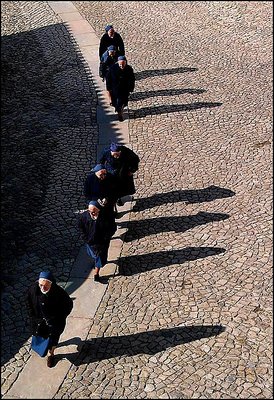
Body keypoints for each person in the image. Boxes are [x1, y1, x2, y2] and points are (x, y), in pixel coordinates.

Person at [27, 270, 73, 368]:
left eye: (45, 286)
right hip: (39, 323)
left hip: (54, 324)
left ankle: (51, 354)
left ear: (51, 284)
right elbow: (29, 303)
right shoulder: (33, 289)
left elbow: (68, 306)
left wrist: (59, 318)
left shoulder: (60, 293)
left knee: (53, 340)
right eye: (40, 285)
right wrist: (32, 316)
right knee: (40, 337)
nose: (42, 288)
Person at [78, 200, 117, 282]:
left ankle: (96, 273)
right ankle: (96, 264)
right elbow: (81, 227)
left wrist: (106, 237)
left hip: (101, 243)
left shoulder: (106, 217)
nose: (91, 213)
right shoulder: (84, 217)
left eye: (93, 211)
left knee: (99, 258)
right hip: (90, 243)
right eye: (90, 211)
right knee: (94, 255)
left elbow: (112, 228)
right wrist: (85, 238)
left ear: (98, 209)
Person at [106, 55, 135, 121]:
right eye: (120, 65)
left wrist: (131, 88)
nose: (122, 66)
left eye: (123, 65)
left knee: (122, 102)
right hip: (115, 89)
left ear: (125, 63)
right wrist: (108, 88)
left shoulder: (129, 69)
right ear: (118, 63)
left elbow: (132, 79)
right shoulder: (112, 68)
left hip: (124, 89)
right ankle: (119, 111)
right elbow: (108, 78)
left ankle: (120, 112)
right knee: (116, 102)